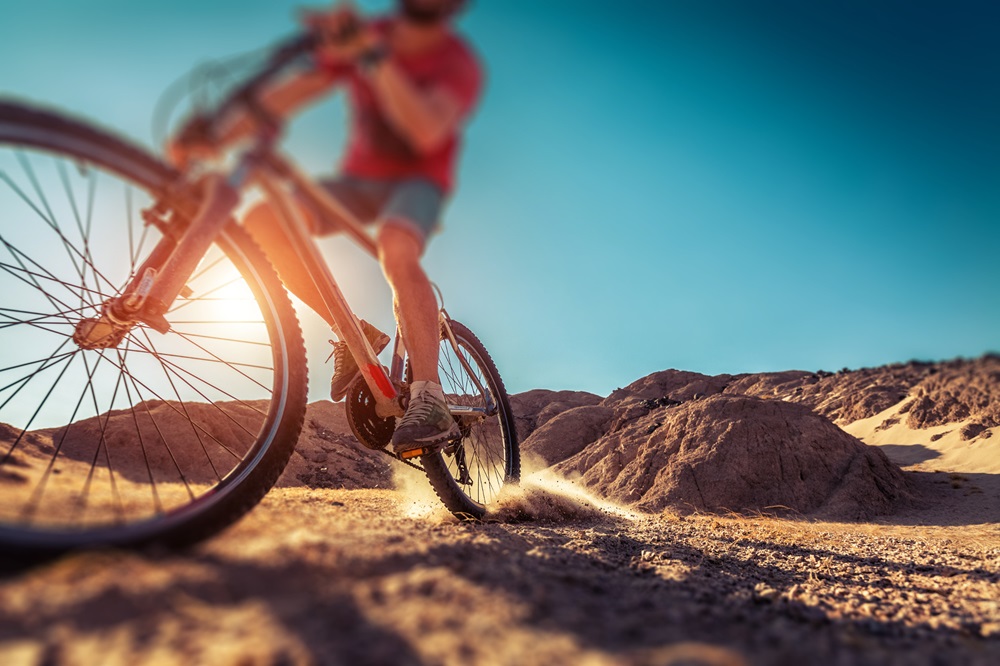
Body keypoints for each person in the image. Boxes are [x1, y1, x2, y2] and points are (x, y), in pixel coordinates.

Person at [167, 0, 482, 456]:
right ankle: (355, 331)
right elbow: (297, 89)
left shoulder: (456, 60)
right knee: (265, 224)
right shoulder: (370, 33)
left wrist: (371, 55)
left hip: (417, 180)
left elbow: (427, 128)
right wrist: (218, 135)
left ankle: (429, 395)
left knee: (396, 249)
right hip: (359, 182)